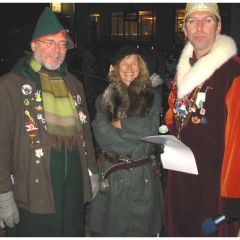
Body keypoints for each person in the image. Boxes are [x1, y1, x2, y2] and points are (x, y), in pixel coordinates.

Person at [0, 7, 99, 237]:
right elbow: (1, 144)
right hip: (34, 191)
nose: (57, 50)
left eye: (62, 44)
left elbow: (86, 131)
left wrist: (92, 172)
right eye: (49, 42)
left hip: (73, 188)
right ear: (33, 45)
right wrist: (3, 193)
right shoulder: (10, 86)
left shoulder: (74, 84)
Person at [163, 2, 240, 237]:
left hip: (214, 188)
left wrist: (233, 200)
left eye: (207, 20)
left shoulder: (232, 74)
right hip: (180, 180)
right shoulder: (182, 71)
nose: (199, 27)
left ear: (218, 28)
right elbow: (174, 112)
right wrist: (168, 132)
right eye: (192, 21)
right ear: (184, 29)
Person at [87, 45, 164, 237]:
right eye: (124, 63)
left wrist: (120, 123)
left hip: (142, 177)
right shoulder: (104, 99)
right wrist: (136, 144)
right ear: (115, 67)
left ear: (141, 67)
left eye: (134, 63)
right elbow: (101, 134)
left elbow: (151, 127)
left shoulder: (153, 97)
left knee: (141, 231)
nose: (129, 68)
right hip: (113, 176)